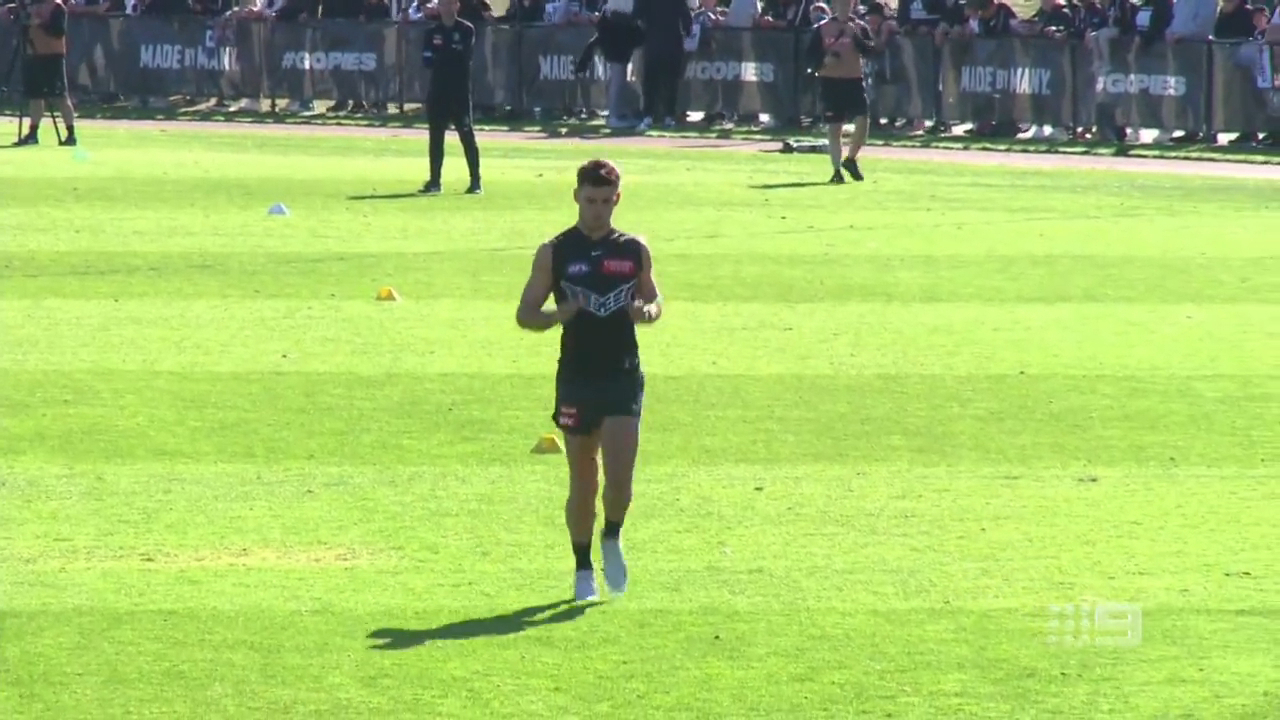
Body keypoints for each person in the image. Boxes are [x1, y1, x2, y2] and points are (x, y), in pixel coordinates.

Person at [514, 159, 664, 602]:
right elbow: (525, 314)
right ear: (576, 196)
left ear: (616, 199)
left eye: (605, 201)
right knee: (583, 480)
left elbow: (654, 300)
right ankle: (582, 569)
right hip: (577, 376)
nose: (597, 210)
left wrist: (647, 313)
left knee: (620, 483)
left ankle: (612, 536)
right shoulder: (555, 251)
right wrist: (559, 315)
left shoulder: (634, 249)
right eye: (589, 200)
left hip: (622, 374)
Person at [804, 0, 876, 183]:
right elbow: (809, 56)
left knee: (863, 120)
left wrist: (856, 37)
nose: (845, 6)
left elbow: (871, 51)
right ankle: (836, 170)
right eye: (841, 3)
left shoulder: (859, 26)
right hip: (830, 81)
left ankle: (851, 159)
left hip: (854, 79)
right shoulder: (822, 28)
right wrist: (824, 61)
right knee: (834, 126)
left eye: (848, 3)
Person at [419, 0, 482, 195]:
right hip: (437, 91)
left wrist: (444, 55)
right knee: (436, 137)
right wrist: (448, 53)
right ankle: (435, 181)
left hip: (459, 91)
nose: (445, 8)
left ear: (457, 6)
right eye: (442, 4)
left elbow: (464, 56)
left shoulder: (466, 30)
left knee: (466, 135)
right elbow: (427, 60)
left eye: (449, 3)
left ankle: (475, 181)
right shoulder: (432, 33)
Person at [10, 0, 77, 147]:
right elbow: (23, 28)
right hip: (33, 54)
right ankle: (33, 133)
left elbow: (59, 31)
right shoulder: (31, 6)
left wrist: (39, 23)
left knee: (60, 95)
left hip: (52, 55)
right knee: (35, 96)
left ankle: (71, 133)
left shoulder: (56, 7)